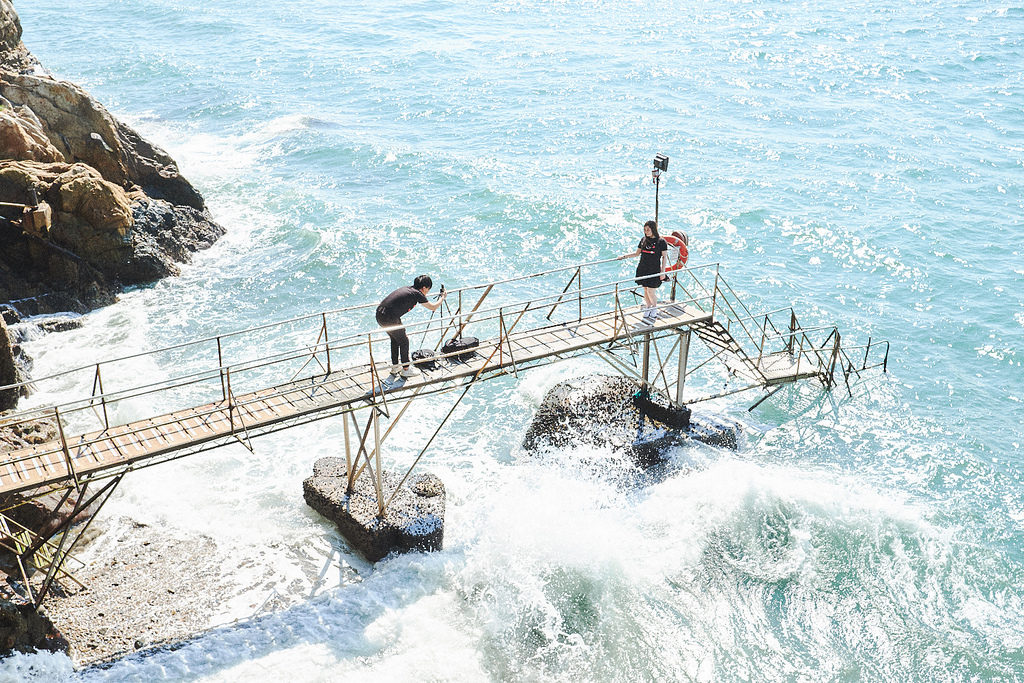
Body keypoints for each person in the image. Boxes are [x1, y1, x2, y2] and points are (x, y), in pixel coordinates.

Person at [376, 275, 446, 377]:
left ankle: (395, 367)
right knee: (404, 341)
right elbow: (433, 307)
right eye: (428, 289)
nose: (427, 292)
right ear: (424, 288)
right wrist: (443, 297)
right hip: (389, 318)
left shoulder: (409, 289)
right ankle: (406, 369)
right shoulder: (417, 294)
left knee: (395, 339)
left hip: (380, 314)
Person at [618, 220, 670, 321]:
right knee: (645, 289)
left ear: (653, 229)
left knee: (651, 291)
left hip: (654, 269)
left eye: (648, 230)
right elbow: (637, 253)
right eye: (645, 230)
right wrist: (624, 256)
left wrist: (662, 271)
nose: (646, 232)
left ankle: (654, 307)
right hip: (643, 268)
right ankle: (648, 307)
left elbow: (664, 257)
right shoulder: (643, 240)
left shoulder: (661, 241)